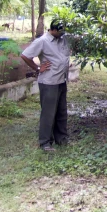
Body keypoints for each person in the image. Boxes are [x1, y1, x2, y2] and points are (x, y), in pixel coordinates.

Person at [21, 19, 70, 152]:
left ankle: (62, 138)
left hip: (61, 80)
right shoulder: (42, 41)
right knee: (48, 113)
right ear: (52, 30)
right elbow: (25, 55)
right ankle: (45, 142)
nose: (61, 34)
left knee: (61, 111)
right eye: (59, 32)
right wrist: (37, 69)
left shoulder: (63, 39)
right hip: (49, 82)